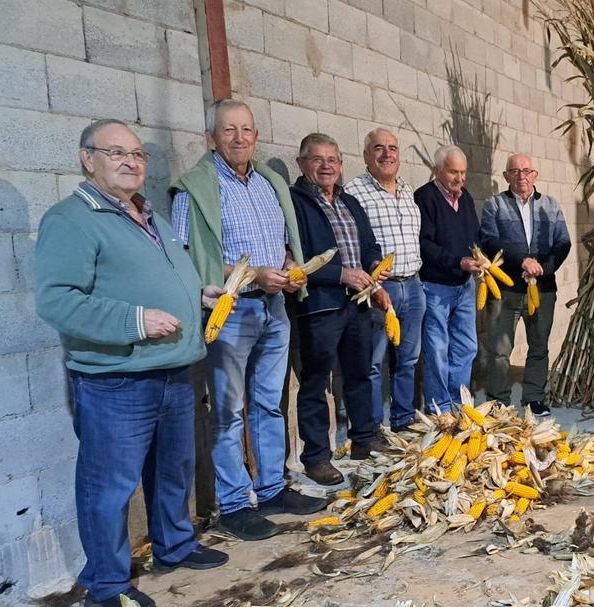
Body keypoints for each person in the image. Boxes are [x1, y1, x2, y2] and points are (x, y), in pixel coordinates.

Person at [34, 119, 229, 607]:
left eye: (138, 155)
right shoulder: (71, 220)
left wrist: (198, 295)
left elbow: (163, 278)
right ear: (87, 158)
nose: (130, 162)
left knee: (173, 471)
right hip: (116, 379)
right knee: (110, 485)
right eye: (116, 152)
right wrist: (134, 320)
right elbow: (57, 302)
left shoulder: (151, 217)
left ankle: (175, 546)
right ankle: (106, 583)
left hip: (173, 371)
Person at [171, 100, 327, 541]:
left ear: (256, 137)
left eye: (246, 130)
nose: (239, 138)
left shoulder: (269, 184)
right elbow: (186, 257)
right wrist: (253, 275)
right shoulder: (195, 190)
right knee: (227, 410)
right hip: (232, 309)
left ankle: (272, 487)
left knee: (268, 403)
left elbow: (283, 243)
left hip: (274, 308)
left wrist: (291, 269)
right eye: (228, 130)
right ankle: (236, 503)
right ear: (211, 138)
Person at [290, 133, 392, 486]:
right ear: (302, 164)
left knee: (360, 372)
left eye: (332, 159)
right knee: (316, 382)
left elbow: (369, 244)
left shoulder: (349, 201)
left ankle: (364, 438)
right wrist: (340, 274)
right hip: (320, 305)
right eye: (317, 159)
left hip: (357, 303)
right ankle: (317, 457)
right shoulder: (296, 203)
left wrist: (375, 265)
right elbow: (297, 258)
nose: (326, 165)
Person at [343, 128, 425, 433]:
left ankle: (404, 420)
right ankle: (373, 426)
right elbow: (353, 246)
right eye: (379, 148)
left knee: (408, 359)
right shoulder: (353, 193)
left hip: (413, 285)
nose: (387, 154)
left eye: (392, 148)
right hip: (379, 288)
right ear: (366, 156)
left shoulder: (406, 189)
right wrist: (373, 285)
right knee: (373, 363)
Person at [479, 153, 572, 415]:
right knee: (499, 351)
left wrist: (542, 268)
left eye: (527, 170)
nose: (521, 176)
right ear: (506, 176)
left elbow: (563, 243)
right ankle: (499, 401)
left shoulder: (551, 205)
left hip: (542, 289)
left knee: (539, 346)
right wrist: (522, 262)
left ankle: (533, 397)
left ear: (535, 175)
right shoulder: (494, 205)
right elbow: (489, 240)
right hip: (505, 289)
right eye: (515, 171)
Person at [415, 145, 482, 410]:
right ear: (437, 170)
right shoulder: (425, 198)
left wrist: (480, 256)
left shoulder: (464, 198)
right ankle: (439, 407)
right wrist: (457, 262)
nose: (460, 179)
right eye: (454, 172)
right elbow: (424, 244)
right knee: (437, 352)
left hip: (464, 286)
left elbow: (474, 236)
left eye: (463, 173)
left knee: (466, 347)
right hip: (435, 287)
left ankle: (458, 403)